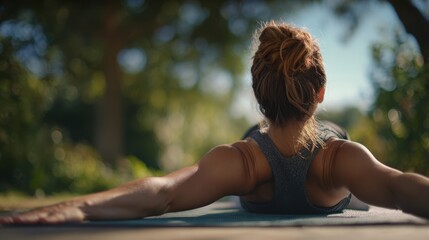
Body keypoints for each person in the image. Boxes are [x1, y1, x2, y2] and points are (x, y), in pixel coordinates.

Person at [1, 20, 429, 224]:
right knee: (365, 183)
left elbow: (164, 193)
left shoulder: (241, 161)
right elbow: (398, 185)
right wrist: (68, 209)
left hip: (286, 152)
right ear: (320, 94)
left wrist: (69, 208)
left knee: (357, 184)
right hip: (326, 159)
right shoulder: (341, 160)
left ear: (259, 97)